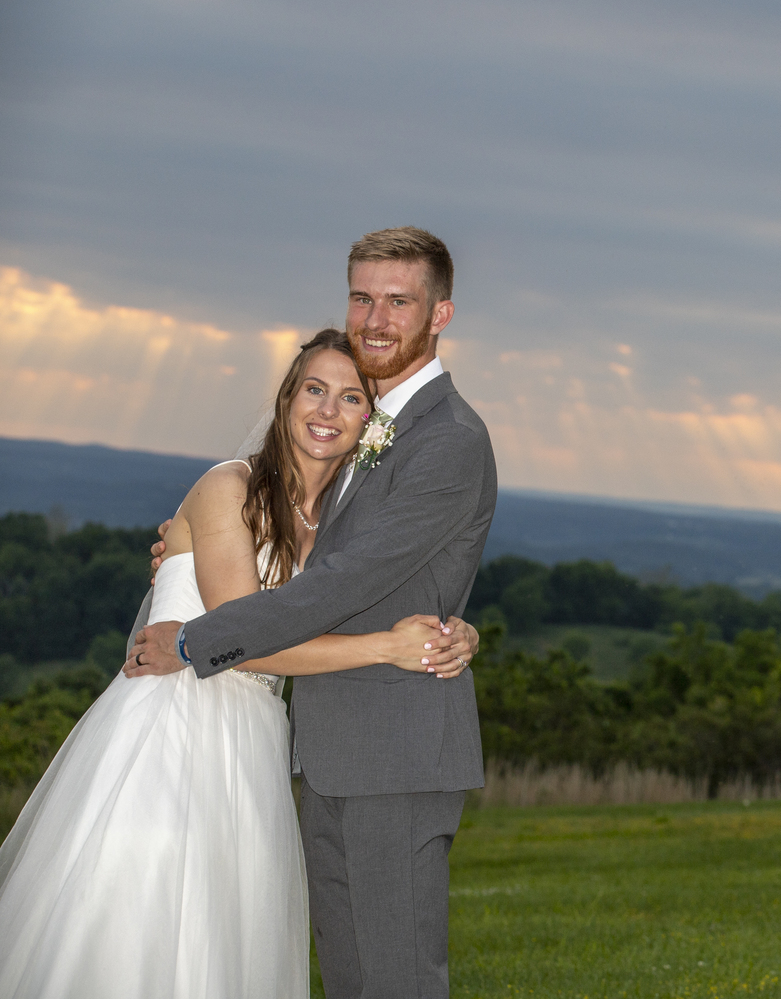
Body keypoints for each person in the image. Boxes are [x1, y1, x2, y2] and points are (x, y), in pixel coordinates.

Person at [0, 326, 479, 998]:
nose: (327, 410)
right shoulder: (230, 487)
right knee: (141, 914)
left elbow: (383, 589)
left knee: (224, 936)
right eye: (314, 389)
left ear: (371, 425)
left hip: (254, 741)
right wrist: (387, 648)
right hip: (170, 727)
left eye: (351, 398)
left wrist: (458, 631)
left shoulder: (341, 527)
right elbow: (243, 634)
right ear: (287, 398)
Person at [130, 226, 496, 999]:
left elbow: (344, 582)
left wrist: (196, 641)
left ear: (441, 314)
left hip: (394, 757)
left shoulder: (449, 439)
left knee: (396, 979)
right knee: (354, 978)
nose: (376, 319)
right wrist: (192, 548)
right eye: (362, 298)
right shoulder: (368, 438)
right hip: (326, 754)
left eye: (399, 302)